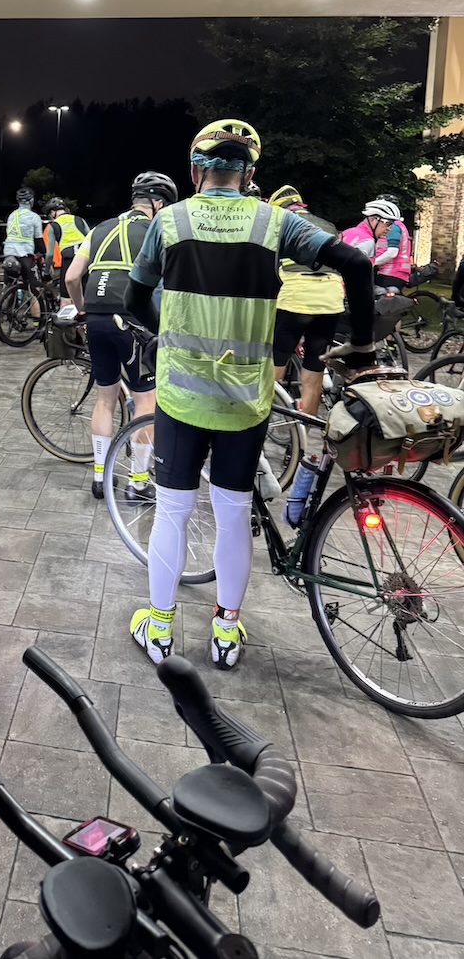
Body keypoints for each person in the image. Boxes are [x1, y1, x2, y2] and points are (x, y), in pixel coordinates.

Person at [124, 119, 375, 671]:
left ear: (195, 171)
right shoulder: (276, 222)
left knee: (173, 509)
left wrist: (163, 333)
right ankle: (225, 632)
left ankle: (160, 628)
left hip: (182, 396)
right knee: (233, 513)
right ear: (250, 174)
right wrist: (360, 346)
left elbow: (133, 298)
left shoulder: (168, 222)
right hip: (245, 400)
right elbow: (356, 264)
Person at [64, 172, 178, 499]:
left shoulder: (100, 228)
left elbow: (73, 276)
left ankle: (101, 477)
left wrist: (83, 310)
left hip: (97, 318)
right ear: (157, 204)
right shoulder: (157, 229)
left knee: (105, 397)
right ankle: (138, 481)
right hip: (132, 320)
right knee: (146, 400)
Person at [269, 185, 346, 418]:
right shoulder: (329, 226)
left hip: (296, 297)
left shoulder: (279, 225)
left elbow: (270, 268)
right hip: (330, 298)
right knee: (315, 363)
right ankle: (307, 420)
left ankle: (264, 417)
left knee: (276, 360)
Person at [3, 187, 44, 315]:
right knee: (34, 290)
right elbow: (39, 242)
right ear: (31, 201)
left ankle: (3, 313)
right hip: (25, 255)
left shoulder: (11, 216)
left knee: (9, 286)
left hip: (9, 255)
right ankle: (38, 325)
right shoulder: (34, 217)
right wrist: (43, 254)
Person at [43, 198, 89, 308]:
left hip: (69, 257)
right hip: (85, 256)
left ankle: (66, 323)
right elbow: (91, 236)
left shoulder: (53, 226)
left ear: (53, 212)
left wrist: (46, 272)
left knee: (66, 298)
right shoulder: (79, 219)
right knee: (84, 295)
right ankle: (84, 322)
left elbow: (49, 254)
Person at [341, 201, 397, 278]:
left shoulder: (347, 232)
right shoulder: (368, 242)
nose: (389, 229)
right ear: (372, 220)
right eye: (387, 224)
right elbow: (354, 271)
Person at [372, 194, 413, 292]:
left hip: (391, 273)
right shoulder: (397, 225)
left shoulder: (393, 227)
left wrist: (372, 263)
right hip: (394, 272)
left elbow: (392, 252)